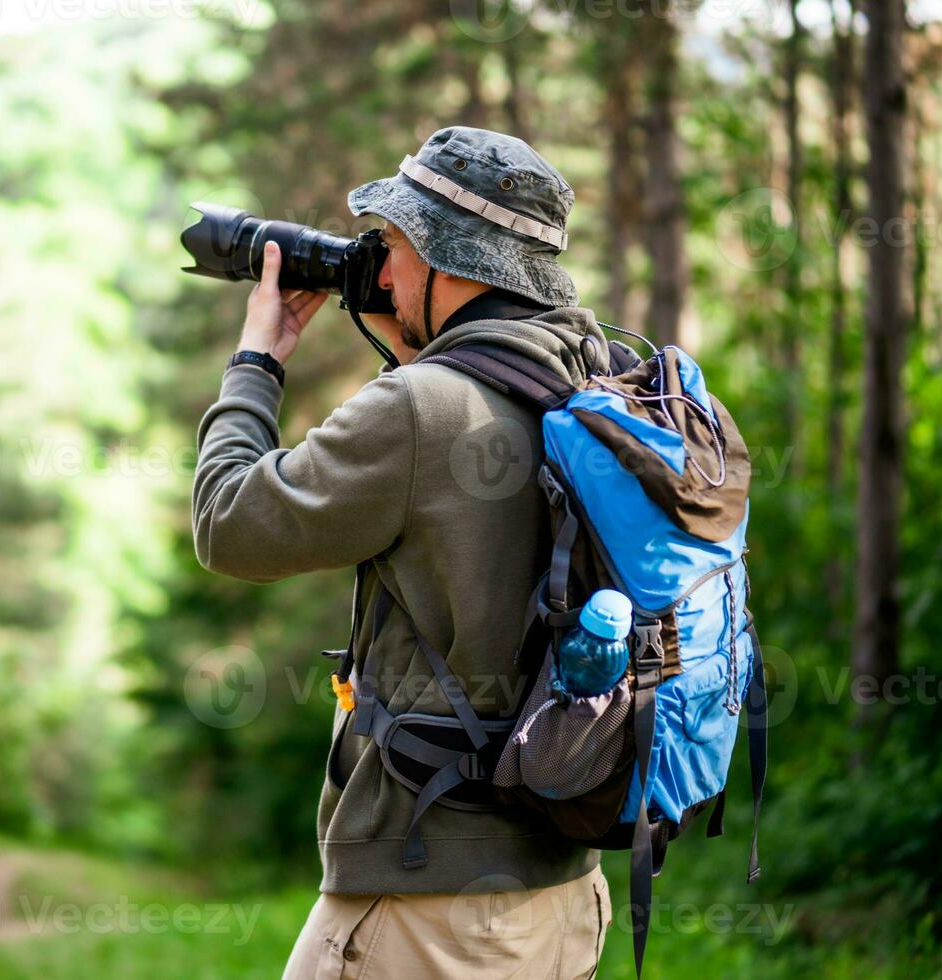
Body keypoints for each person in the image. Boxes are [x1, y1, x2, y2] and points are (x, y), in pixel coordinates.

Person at [192, 127, 614, 978]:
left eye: (391, 247)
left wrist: (255, 364)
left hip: (431, 908)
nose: (378, 273)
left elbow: (229, 524)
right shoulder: (588, 377)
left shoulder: (420, 409)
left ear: (447, 258)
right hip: (565, 899)